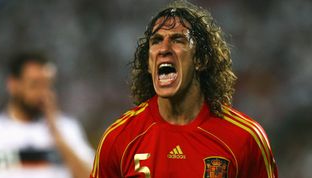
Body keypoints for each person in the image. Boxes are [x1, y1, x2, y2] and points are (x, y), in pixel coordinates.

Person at [90, 1, 278, 178]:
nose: (164, 48)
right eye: (156, 41)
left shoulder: (245, 138)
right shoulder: (119, 138)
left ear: (201, 59)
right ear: (148, 64)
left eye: (177, 39)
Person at [0, 51, 94, 178]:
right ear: (13, 84)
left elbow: (91, 175)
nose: (43, 93)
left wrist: (58, 137)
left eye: (47, 85)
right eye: (34, 84)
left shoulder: (67, 128)